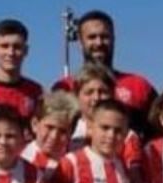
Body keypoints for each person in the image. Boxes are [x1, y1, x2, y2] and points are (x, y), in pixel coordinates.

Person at [54, 10, 157, 138]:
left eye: (105, 37)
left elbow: (158, 134)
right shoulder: (64, 87)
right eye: (92, 37)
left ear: (114, 39)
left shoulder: (139, 86)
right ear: (80, 43)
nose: (99, 43)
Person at [23, 91, 80, 169]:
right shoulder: (21, 161)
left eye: (63, 131)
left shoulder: (75, 161)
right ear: (35, 124)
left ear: (71, 133)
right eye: (49, 127)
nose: (54, 136)